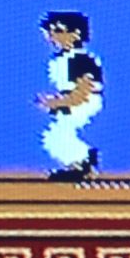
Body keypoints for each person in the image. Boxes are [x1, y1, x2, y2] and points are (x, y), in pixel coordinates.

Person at [36, 11, 102, 180]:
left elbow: (85, 88)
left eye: (58, 30)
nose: (52, 36)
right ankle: (79, 165)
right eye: (50, 31)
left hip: (83, 101)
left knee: (57, 135)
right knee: (57, 135)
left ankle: (84, 163)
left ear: (76, 33)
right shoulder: (61, 59)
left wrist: (65, 102)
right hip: (71, 100)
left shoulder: (80, 59)